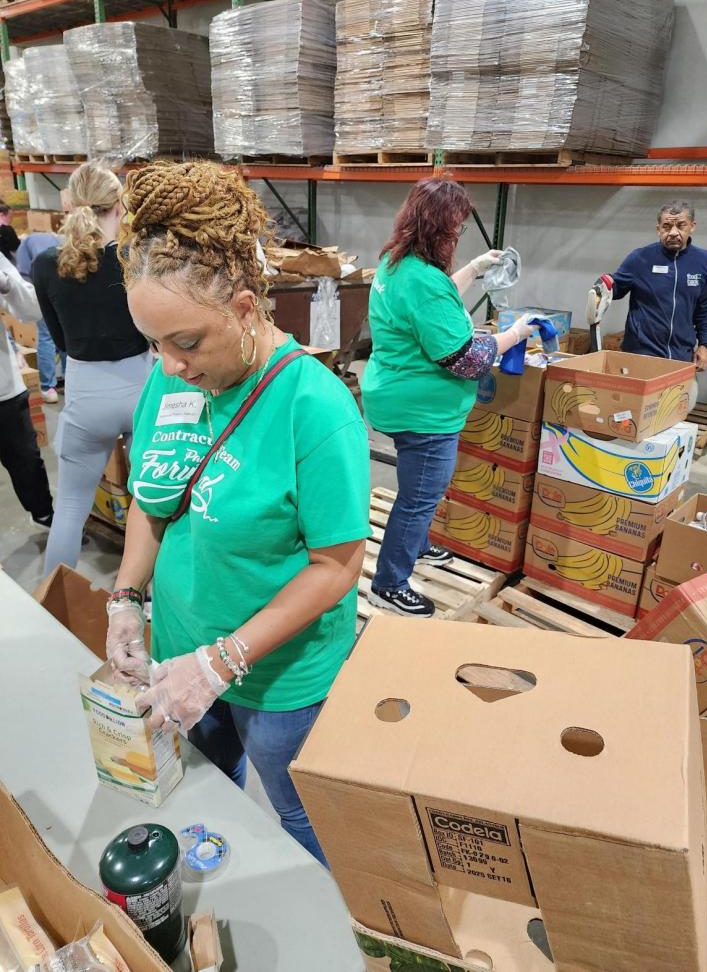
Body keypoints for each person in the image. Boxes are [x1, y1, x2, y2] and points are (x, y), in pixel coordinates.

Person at [105, 160, 370, 864]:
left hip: (278, 676)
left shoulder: (313, 407)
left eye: (186, 342)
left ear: (246, 311)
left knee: (296, 808)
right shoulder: (171, 383)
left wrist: (224, 661)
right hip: (179, 649)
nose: (167, 365)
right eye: (153, 344)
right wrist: (127, 597)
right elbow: (151, 500)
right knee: (205, 790)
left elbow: (337, 564)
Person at [361, 178, 536, 618]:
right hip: (424, 413)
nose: (457, 238)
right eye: (455, 231)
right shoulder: (422, 281)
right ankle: (389, 583)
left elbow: (433, 301)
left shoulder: (395, 263)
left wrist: (475, 268)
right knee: (420, 494)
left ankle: (415, 545)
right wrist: (512, 335)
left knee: (416, 484)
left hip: (394, 396)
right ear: (438, 230)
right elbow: (467, 360)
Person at [32, 161, 152, 575]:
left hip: (86, 392)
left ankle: (51, 605)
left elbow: (57, 337)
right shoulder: (137, 256)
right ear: (119, 205)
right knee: (151, 504)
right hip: (141, 387)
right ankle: (150, 598)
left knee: (68, 509)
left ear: (68, 204)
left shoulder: (47, 264)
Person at [592, 200, 707, 371]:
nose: (673, 232)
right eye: (666, 226)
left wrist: (705, 345)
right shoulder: (640, 258)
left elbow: (706, 307)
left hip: (681, 356)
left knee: (678, 397)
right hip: (640, 353)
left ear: (692, 226)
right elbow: (616, 288)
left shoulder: (705, 261)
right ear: (658, 229)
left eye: (680, 225)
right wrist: (604, 286)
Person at [0, 251, 55, 527]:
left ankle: (44, 513)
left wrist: (7, 285)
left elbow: (33, 309)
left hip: (4, 391)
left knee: (26, 461)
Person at [17, 230, 66, 403]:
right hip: (64, 290)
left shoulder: (26, 241)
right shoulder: (57, 238)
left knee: (46, 337)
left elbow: (22, 271)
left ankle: (48, 387)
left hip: (41, 291)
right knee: (67, 336)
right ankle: (68, 382)